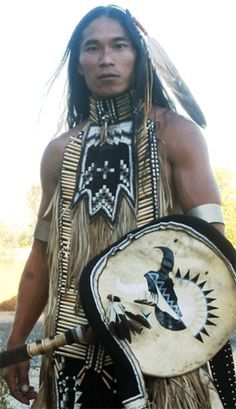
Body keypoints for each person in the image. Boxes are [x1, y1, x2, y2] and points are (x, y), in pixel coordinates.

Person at [3, 5, 235, 409]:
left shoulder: (176, 135)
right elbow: (42, 255)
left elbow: (212, 249)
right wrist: (17, 343)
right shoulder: (59, 153)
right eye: (92, 48)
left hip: (160, 351)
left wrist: (145, 307)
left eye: (119, 45)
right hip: (72, 353)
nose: (106, 58)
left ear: (138, 56)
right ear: (78, 63)